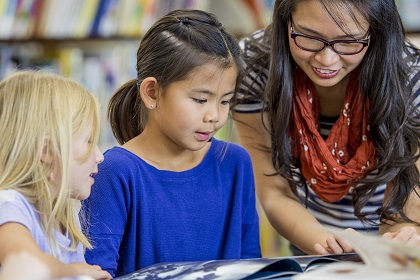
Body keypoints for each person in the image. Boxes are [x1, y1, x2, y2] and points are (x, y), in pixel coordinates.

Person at [233, 0, 420, 256]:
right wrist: (328, 244)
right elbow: (274, 191)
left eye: (349, 41)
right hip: (312, 244)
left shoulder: (410, 76)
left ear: (375, 31)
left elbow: (405, 202)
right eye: (309, 37)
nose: (326, 59)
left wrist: (392, 246)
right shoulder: (253, 65)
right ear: (285, 21)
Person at [83, 9, 261, 278]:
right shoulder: (115, 170)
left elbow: (252, 268)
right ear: (152, 92)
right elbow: (95, 273)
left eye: (225, 101)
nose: (215, 116)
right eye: (200, 100)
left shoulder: (235, 163)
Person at [0, 71, 112, 280]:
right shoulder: (9, 205)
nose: (99, 156)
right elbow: (24, 268)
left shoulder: (67, 220)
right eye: (88, 141)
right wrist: (78, 270)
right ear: (47, 151)